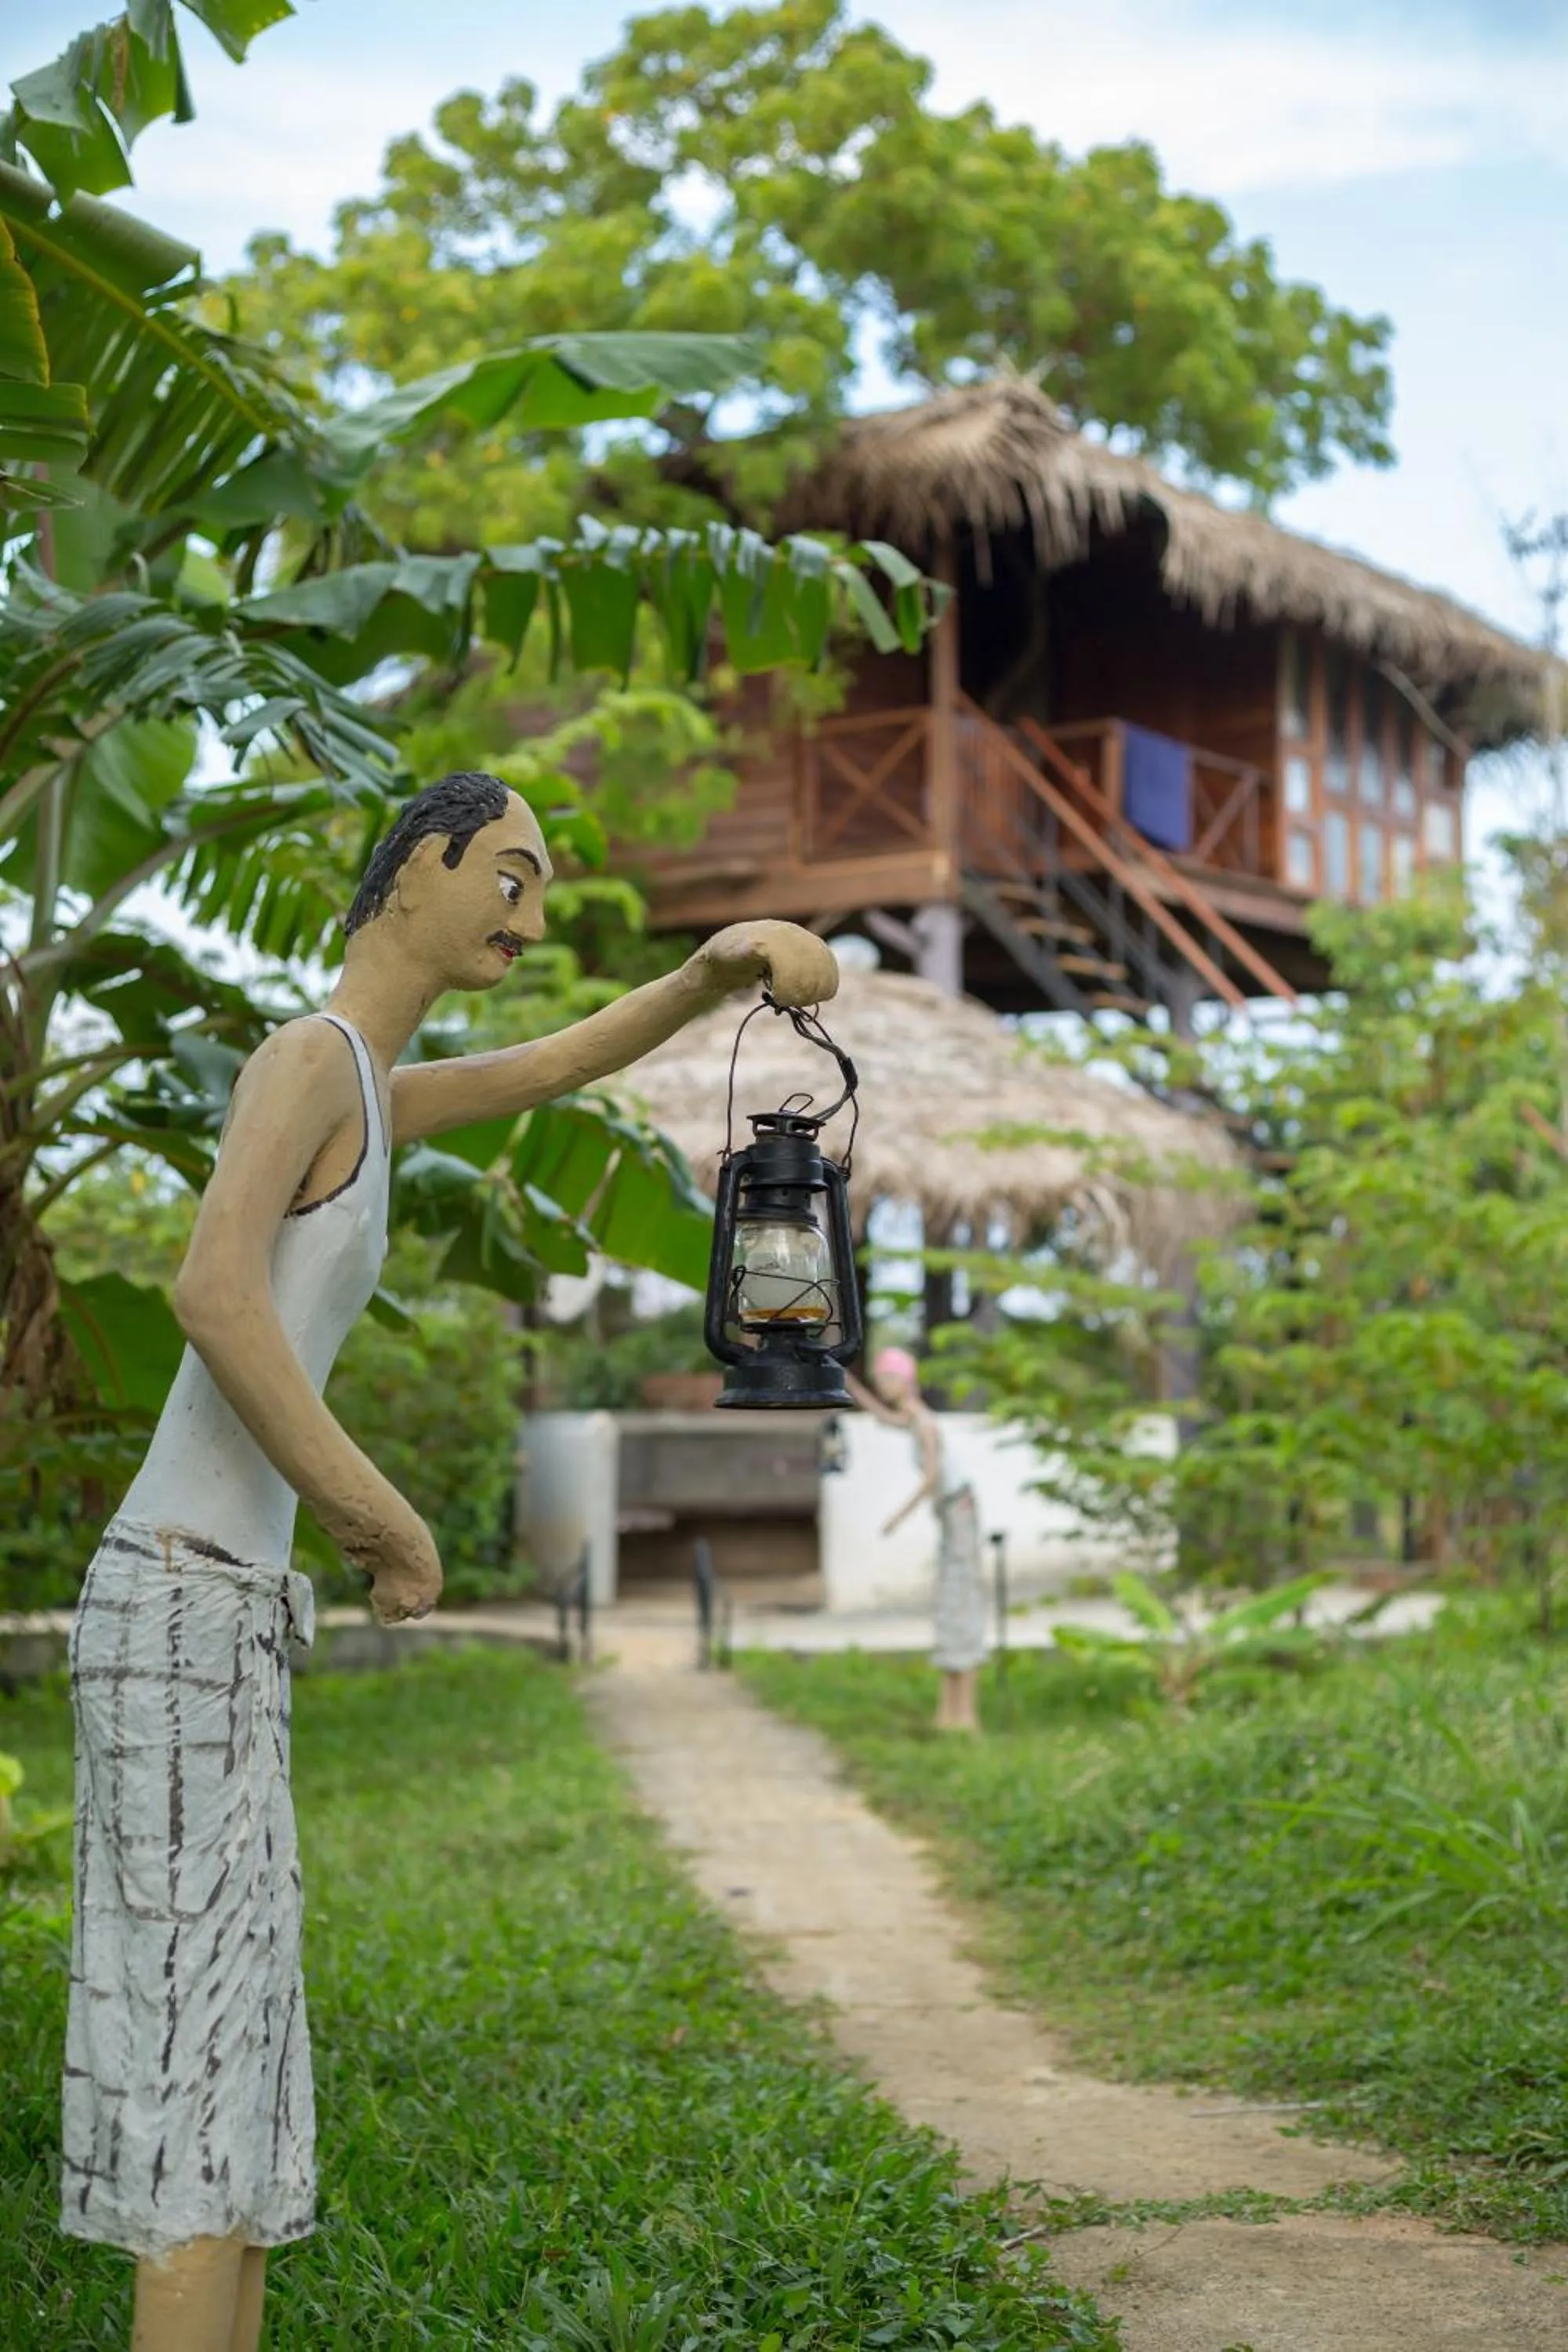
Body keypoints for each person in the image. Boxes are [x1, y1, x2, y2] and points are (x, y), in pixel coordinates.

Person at [60, 770, 839, 2352]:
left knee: (242, 2061)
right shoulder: (304, 1059)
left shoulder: (365, 1079)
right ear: (416, 869)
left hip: (229, 1611)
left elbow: (554, 1064)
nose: (529, 919)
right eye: (508, 876)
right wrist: (380, 1516)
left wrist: (709, 974)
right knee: (191, 2075)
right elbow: (214, 1292)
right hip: (176, 1599)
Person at [846, 1347, 987, 1731]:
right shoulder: (911, 1418)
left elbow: (931, 1477)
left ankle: (963, 1716)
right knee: (951, 1598)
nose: (882, 1385)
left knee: (960, 1598)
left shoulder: (924, 1423)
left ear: (904, 1381)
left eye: (887, 1378)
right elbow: (883, 1417)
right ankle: (950, 1716)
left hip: (959, 1513)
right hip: (950, 1515)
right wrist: (849, 1383)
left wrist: (896, 1518)